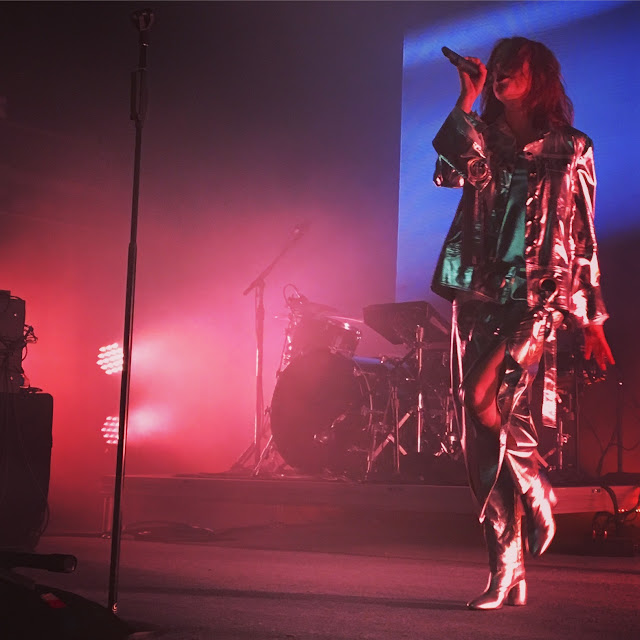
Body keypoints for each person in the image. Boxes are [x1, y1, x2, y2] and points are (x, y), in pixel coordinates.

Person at [431, 37, 615, 610]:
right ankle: (506, 569)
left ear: (539, 77)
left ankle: (536, 487)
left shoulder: (571, 147)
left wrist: (592, 320)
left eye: (516, 67)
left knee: (481, 394)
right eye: (500, 66)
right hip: (481, 293)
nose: (504, 73)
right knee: (484, 430)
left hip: (539, 298)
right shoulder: (485, 138)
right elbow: (447, 174)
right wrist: (467, 98)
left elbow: (584, 235)